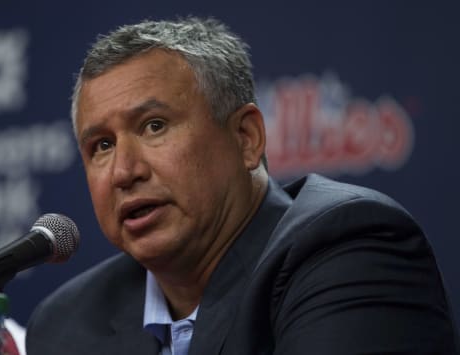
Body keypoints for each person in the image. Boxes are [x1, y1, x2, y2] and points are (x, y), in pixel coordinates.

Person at [26, 17, 459, 354]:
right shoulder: (69, 322)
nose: (124, 171)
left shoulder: (348, 249)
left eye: (154, 126)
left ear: (245, 138)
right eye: (101, 145)